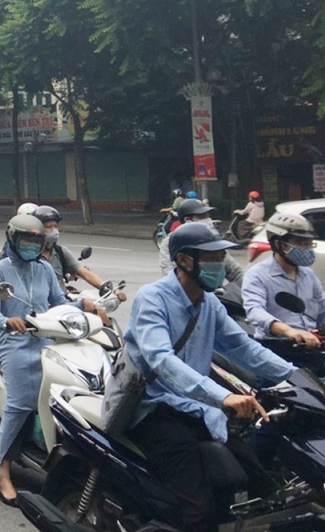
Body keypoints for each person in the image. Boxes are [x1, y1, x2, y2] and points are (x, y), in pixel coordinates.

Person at [124, 223, 294, 532]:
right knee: (199, 509)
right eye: (212, 258)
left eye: (220, 258)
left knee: (262, 486)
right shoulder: (153, 299)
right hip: (157, 411)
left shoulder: (209, 302)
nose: (220, 266)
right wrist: (223, 396)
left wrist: (297, 378)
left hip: (199, 407)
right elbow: (162, 360)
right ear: (185, 261)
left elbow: (243, 347)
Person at [0, 215, 101, 505]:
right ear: (13, 239)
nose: (32, 246)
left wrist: (83, 304)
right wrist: (6, 321)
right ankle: (4, 473)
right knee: (20, 405)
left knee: (63, 398)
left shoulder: (45, 269)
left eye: (37, 241)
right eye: (27, 240)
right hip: (13, 343)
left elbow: (58, 302)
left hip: (47, 341)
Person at [242, 211, 325, 372]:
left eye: (309, 243)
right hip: (276, 349)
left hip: (311, 347)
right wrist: (289, 331)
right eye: (300, 243)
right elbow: (255, 312)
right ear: (278, 243)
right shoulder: (257, 275)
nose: (306, 248)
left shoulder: (308, 274)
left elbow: (322, 308)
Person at [34, 206, 126, 303]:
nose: (54, 231)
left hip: (61, 303)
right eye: (49, 227)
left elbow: (86, 274)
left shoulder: (60, 252)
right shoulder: (30, 255)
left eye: (56, 226)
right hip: (39, 305)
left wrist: (112, 291)